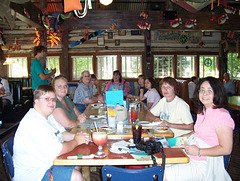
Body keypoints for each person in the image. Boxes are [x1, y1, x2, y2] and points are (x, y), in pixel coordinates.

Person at [13, 84, 89, 181]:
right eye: (46, 99)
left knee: (76, 164)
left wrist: (77, 136)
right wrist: (76, 141)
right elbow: (58, 150)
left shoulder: (48, 116)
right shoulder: (33, 122)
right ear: (36, 101)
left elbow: (61, 133)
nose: (51, 102)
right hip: (34, 173)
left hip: (46, 163)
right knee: (76, 176)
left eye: (53, 99)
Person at [164, 77, 234, 181]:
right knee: (159, 165)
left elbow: (226, 149)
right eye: (202, 90)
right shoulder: (202, 111)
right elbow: (197, 132)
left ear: (217, 92)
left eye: (210, 90)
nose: (205, 94)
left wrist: (199, 151)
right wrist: (176, 139)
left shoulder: (222, 115)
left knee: (162, 174)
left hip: (205, 165)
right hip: (190, 156)